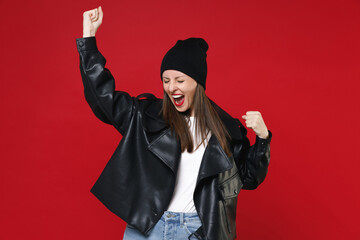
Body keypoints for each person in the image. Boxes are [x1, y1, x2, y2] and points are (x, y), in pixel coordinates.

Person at [76, 6, 272, 240]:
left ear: (197, 83)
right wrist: (89, 39)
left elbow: (249, 179)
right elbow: (103, 96)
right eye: (166, 80)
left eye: (180, 80)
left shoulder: (225, 129)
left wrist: (263, 139)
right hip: (147, 229)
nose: (171, 87)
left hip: (195, 231)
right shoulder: (146, 116)